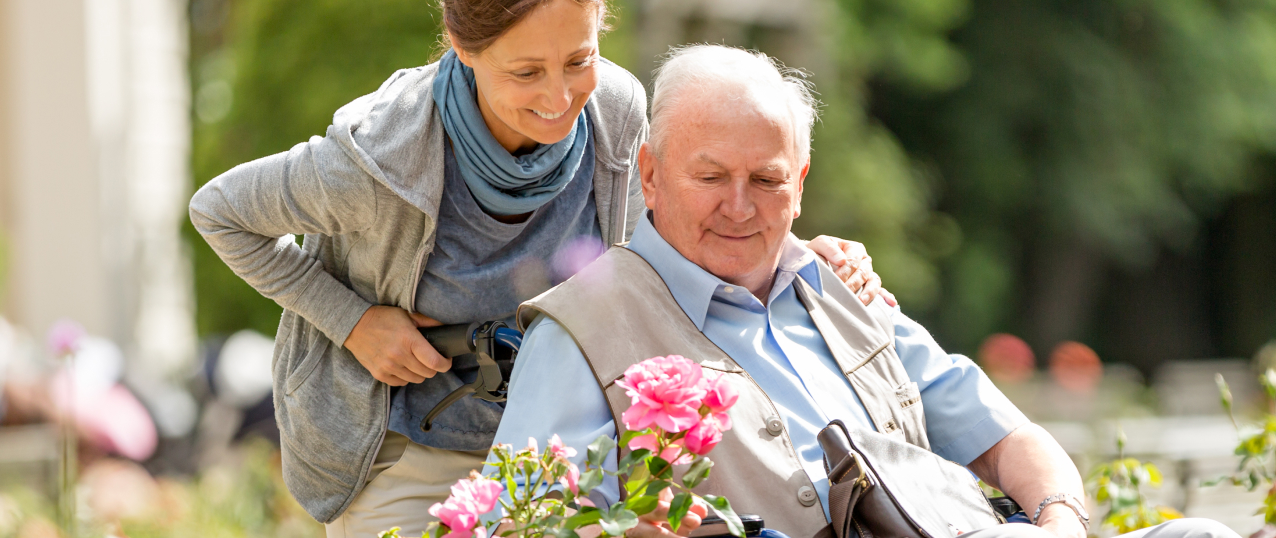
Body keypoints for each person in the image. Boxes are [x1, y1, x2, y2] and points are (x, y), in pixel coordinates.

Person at [188, 0, 893, 533]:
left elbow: (674, 232)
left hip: (566, 441)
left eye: (578, 61)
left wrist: (802, 256)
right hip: (410, 450)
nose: (559, 97)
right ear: (463, 48)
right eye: (526, 71)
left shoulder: (616, 110)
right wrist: (354, 322)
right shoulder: (377, 157)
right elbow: (218, 211)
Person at [494, 44, 1241, 538]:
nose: (740, 206)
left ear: (801, 185)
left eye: (767, 180)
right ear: (650, 174)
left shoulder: (838, 287)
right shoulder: (583, 327)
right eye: (711, 177)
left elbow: (1012, 439)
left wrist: (1058, 521)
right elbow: (522, 519)